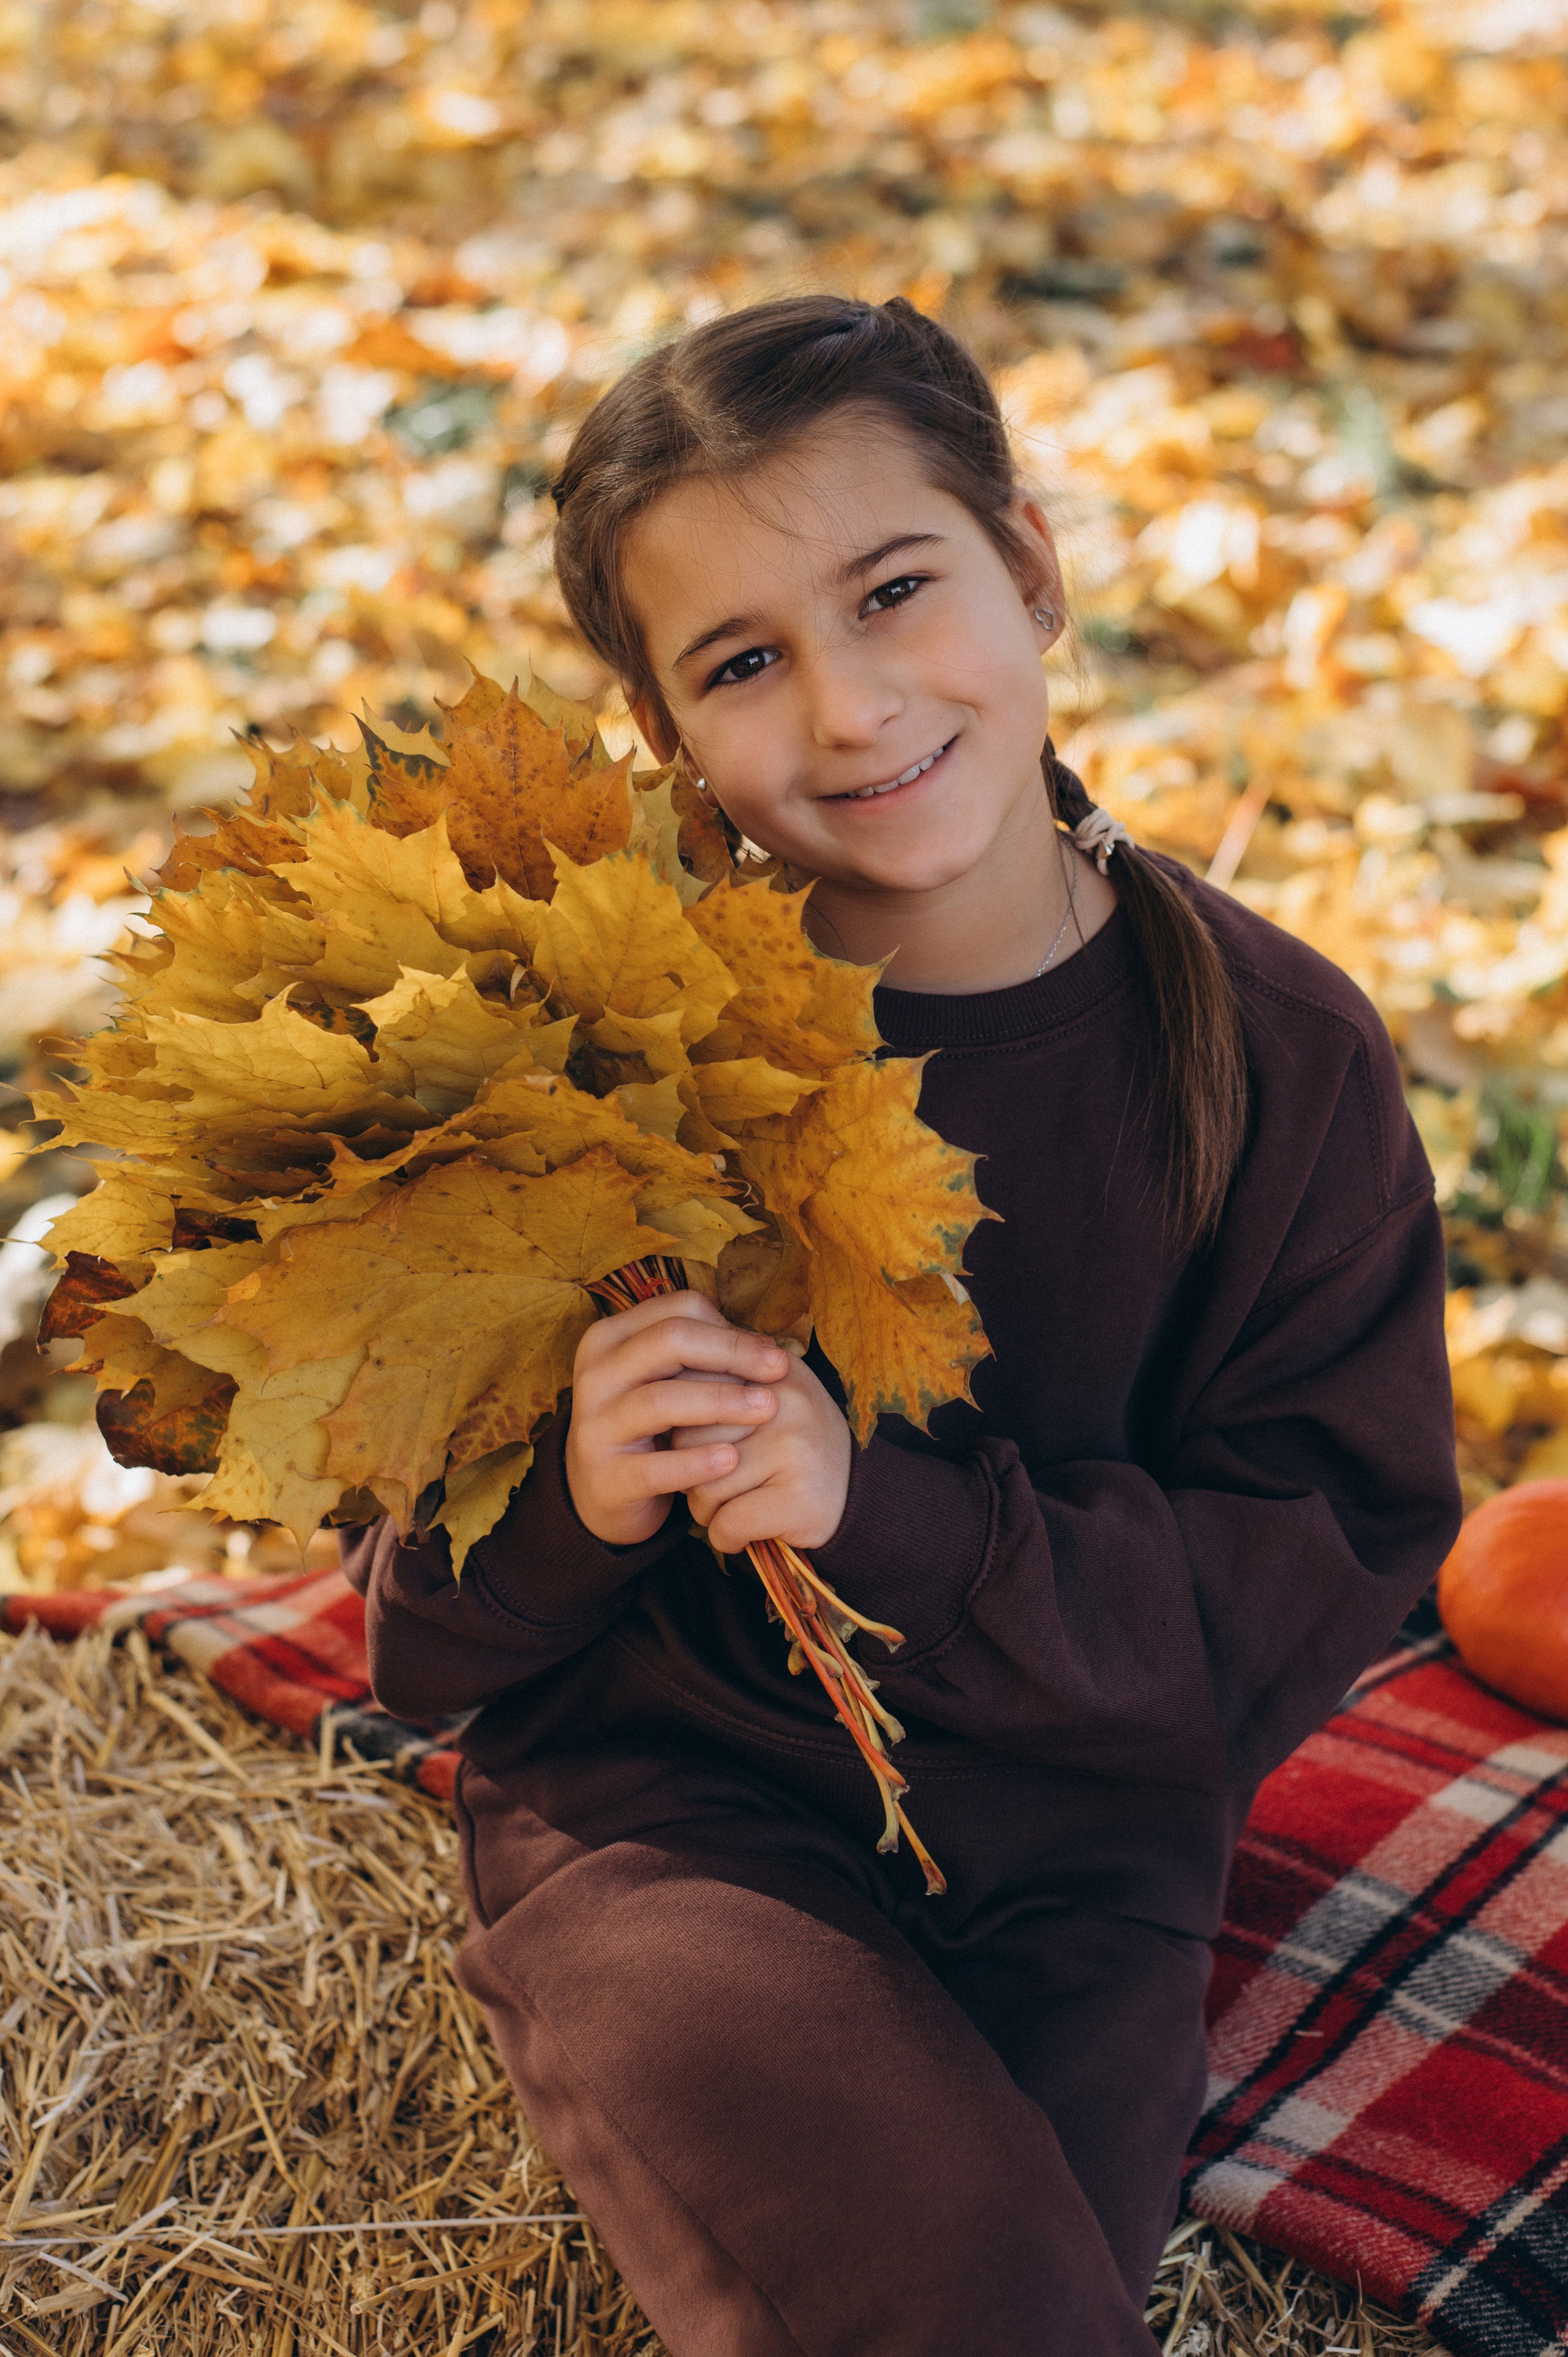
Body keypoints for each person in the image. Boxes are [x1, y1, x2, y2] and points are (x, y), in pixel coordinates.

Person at [342, 296, 1460, 2355]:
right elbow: (423, 1648)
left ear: (1028, 565)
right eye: (744, 663)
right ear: (668, 732)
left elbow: (1298, 1592)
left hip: (1084, 1852)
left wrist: (885, 1516)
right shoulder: (597, 1059)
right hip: (681, 1820)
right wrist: (584, 1492)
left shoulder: (1282, 1061)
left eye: (892, 592)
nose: (852, 708)